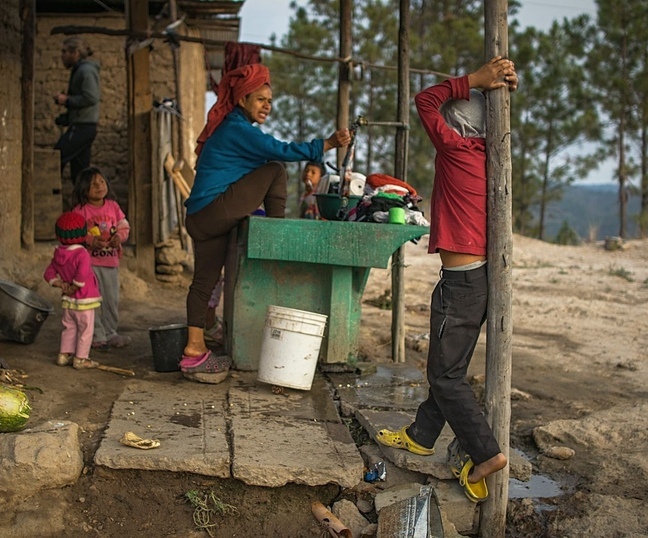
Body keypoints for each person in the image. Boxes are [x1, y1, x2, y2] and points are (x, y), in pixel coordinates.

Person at [376, 56, 519, 503]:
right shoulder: (489, 158)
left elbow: (425, 100)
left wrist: (474, 80)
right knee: (449, 367)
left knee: (445, 378)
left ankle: (487, 454)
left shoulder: (455, 150)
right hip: (477, 282)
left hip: (460, 285)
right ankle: (422, 434)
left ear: (456, 128)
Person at [181, 63, 350, 378]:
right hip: (212, 212)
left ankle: (194, 349)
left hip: (200, 215)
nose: (267, 106)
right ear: (243, 99)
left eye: (270, 101)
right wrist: (325, 144)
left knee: (203, 283)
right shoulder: (237, 129)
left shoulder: (233, 129)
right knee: (275, 169)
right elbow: (281, 150)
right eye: (260, 99)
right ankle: (276, 231)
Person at [71, 167, 131, 351]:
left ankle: (110, 332)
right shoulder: (80, 211)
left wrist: (119, 237)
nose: (99, 186)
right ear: (83, 189)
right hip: (88, 266)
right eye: (93, 184)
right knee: (92, 300)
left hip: (110, 264)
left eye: (102, 182)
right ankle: (96, 335)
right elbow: (74, 233)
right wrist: (89, 240)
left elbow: (124, 227)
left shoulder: (113, 206)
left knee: (111, 299)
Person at [43, 211, 102, 370]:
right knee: (85, 330)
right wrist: (74, 287)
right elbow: (81, 275)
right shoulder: (82, 253)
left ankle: (64, 355)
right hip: (84, 300)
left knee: (69, 328)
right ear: (83, 233)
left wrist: (62, 285)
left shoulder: (59, 253)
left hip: (68, 302)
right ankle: (81, 359)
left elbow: (48, 274)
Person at [54, 36, 100, 198]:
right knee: (80, 175)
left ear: (75, 53)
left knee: (55, 158)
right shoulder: (79, 70)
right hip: (82, 126)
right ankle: (85, 210)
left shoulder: (85, 71)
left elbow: (91, 98)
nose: (62, 56)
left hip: (82, 128)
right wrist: (66, 117)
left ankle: (45, 198)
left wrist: (66, 100)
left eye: (65, 52)